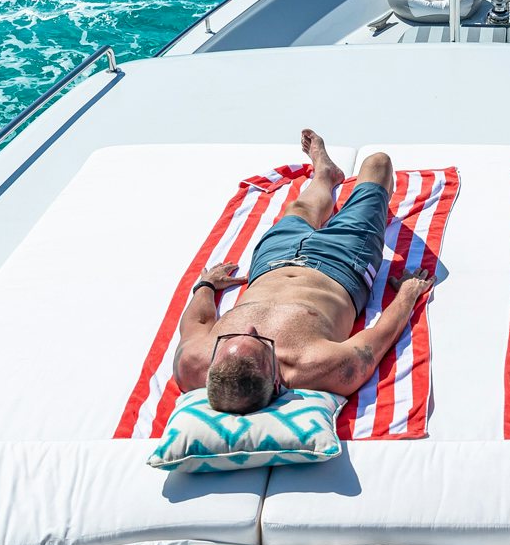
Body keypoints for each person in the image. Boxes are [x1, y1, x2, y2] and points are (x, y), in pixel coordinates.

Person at [174, 129, 433, 413]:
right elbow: (380, 337)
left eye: (229, 339)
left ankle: (325, 174)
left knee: (299, 208)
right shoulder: (322, 367)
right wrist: (408, 293)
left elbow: (196, 325)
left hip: (271, 263)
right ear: (275, 382)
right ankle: (361, 198)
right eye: (261, 342)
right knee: (378, 163)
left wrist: (206, 287)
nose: (249, 329)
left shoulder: (193, 363)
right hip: (344, 263)